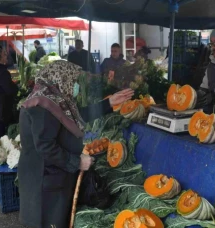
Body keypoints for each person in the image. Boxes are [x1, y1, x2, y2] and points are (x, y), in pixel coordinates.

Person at [18, 60, 134, 228]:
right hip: (45, 182)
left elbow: (77, 115)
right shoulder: (43, 106)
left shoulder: (54, 101)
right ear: (60, 78)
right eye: (73, 81)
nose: (74, 85)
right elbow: (45, 147)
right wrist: (77, 162)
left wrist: (109, 102)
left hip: (50, 177)